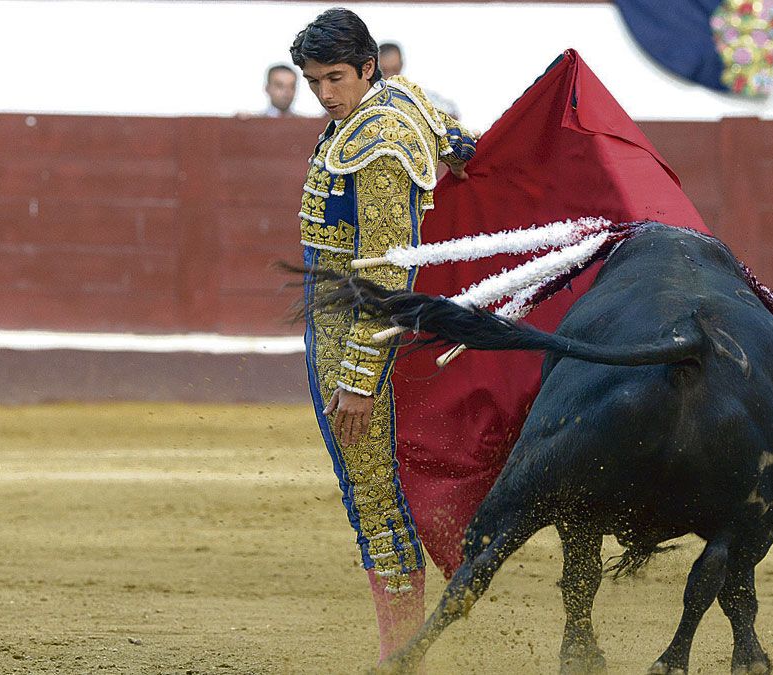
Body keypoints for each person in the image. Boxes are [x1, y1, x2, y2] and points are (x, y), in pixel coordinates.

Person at [290, 7, 475, 663]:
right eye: (313, 81)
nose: (324, 94)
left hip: (354, 326)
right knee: (368, 490)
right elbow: (459, 141)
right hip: (332, 313)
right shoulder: (389, 107)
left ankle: (403, 652)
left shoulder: (380, 141)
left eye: (335, 78)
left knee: (372, 493)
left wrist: (359, 379)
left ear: (368, 68)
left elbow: (387, 271)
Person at [377, 41, 461, 119]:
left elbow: (451, 112)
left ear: (401, 65)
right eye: (384, 71)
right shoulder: (370, 99)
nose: (390, 76)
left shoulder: (418, 95)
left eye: (395, 69)